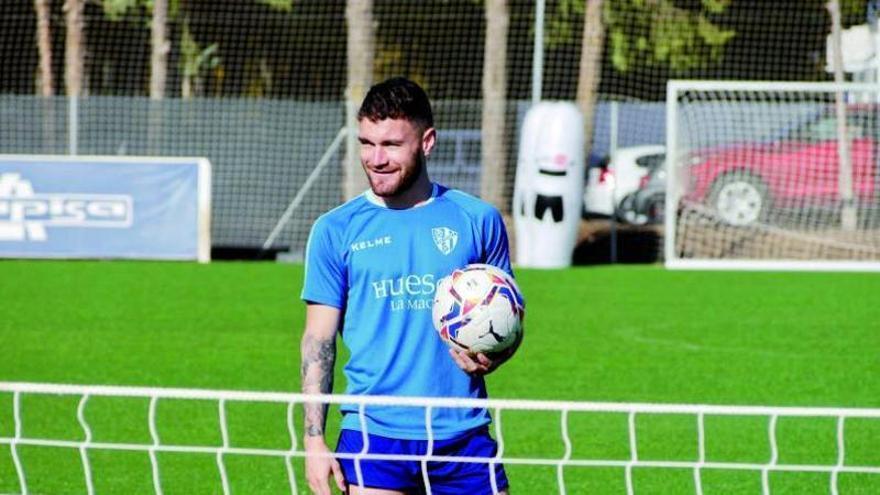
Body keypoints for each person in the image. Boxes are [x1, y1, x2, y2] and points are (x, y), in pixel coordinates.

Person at [300, 76, 518, 495]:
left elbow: (506, 320)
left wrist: (496, 356)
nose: (375, 158)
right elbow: (318, 339)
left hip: (463, 433)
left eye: (391, 145)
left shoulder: (478, 220)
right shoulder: (334, 230)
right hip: (374, 436)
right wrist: (313, 438)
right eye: (366, 143)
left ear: (427, 141)